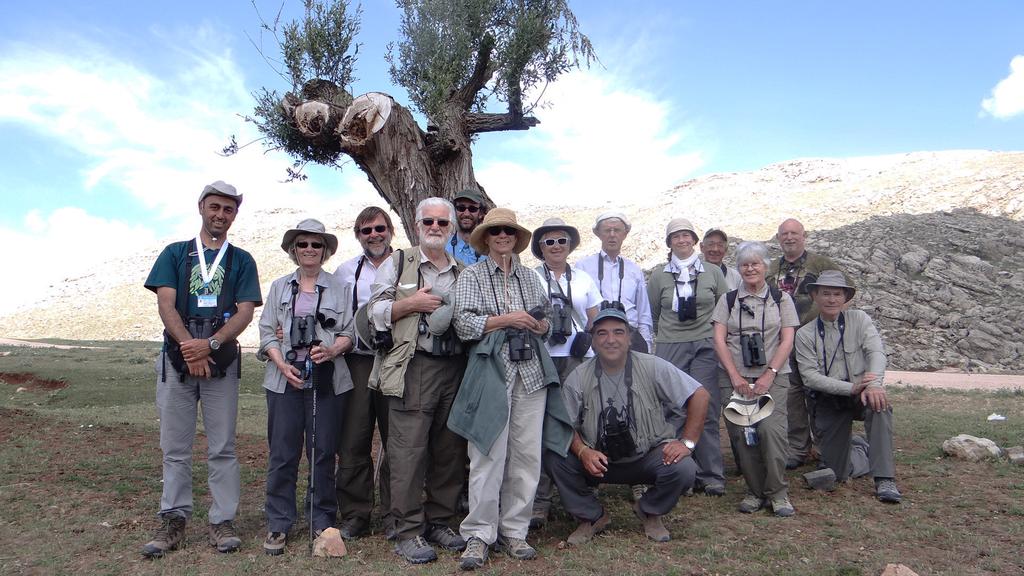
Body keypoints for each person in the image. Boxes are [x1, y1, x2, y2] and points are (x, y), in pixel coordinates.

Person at [142, 181, 262, 557]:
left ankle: (221, 519)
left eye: (228, 209)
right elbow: (166, 304)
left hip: (220, 363)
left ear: (234, 214)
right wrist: (189, 348)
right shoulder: (175, 253)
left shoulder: (241, 259)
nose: (220, 215)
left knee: (223, 446)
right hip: (177, 361)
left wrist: (209, 344)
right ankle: (173, 518)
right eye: (215, 207)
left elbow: (245, 310)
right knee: (174, 446)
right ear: (201, 207)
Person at [449, 208, 558, 571]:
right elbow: (462, 324)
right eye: (495, 231)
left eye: (508, 231)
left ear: (515, 237)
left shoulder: (530, 277)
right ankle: (479, 534)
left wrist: (539, 325)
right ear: (486, 237)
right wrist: (506, 320)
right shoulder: (471, 276)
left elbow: (549, 321)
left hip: (530, 373)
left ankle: (515, 530)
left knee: (526, 454)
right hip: (490, 371)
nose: (502, 237)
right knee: (486, 451)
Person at [544, 306, 709, 544]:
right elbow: (563, 423)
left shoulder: (653, 366)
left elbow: (700, 395)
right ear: (592, 341)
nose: (610, 340)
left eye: (618, 332)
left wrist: (688, 442)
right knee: (554, 456)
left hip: (647, 456)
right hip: (597, 461)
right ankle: (592, 516)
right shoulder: (578, 376)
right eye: (602, 333)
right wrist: (583, 451)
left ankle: (650, 510)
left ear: (630, 338)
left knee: (683, 467)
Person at [365, 198, 468, 564]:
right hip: (413, 365)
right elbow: (372, 311)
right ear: (416, 222)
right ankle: (406, 529)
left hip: (455, 367)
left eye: (443, 222)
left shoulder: (462, 272)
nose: (436, 227)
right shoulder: (399, 262)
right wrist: (410, 305)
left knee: (449, 447)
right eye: (429, 220)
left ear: (452, 228)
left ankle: (440, 520)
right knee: (407, 451)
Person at [257, 219, 355, 555]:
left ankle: (321, 521)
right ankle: (279, 523)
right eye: (303, 244)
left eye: (316, 245)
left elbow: (350, 333)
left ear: (325, 250)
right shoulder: (279, 287)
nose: (309, 250)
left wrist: (331, 349)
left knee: (324, 452)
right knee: (283, 453)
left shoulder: (340, 288)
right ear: (293, 250)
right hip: (284, 381)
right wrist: (281, 362)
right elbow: (267, 330)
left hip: (326, 379)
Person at [794, 271, 901, 503]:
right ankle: (862, 449)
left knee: (879, 405)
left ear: (845, 298)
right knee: (837, 473)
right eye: (825, 294)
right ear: (815, 296)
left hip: (862, 393)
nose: (831, 299)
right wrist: (850, 388)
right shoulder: (804, 334)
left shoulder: (860, 319)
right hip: (829, 399)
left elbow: (876, 352)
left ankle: (884, 479)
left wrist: (873, 384)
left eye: (836, 294)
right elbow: (810, 377)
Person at [711, 241, 800, 517]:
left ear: (765, 267)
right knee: (742, 434)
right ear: (739, 269)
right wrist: (735, 375)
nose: (750, 269)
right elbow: (719, 339)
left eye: (755, 263)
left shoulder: (781, 298)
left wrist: (769, 373)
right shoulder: (727, 300)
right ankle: (754, 491)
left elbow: (788, 339)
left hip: (773, 377)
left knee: (771, 433)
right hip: (734, 378)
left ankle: (778, 493)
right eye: (745, 264)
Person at [528, 217, 602, 527]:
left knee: (579, 423)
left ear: (570, 245)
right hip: (542, 358)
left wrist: (590, 343)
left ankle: (582, 494)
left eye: (561, 241)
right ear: (540, 248)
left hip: (578, 359)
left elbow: (596, 320)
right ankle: (540, 500)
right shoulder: (531, 278)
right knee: (542, 425)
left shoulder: (584, 279)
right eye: (549, 241)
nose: (556, 246)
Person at [647, 218, 728, 496]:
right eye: (675, 237)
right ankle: (678, 470)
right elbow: (654, 312)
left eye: (686, 236)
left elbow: (724, 308)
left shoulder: (713, 272)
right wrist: (665, 335)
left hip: (705, 343)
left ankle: (711, 474)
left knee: (705, 404)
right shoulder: (659, 275)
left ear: (694, 240)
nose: (681, 241)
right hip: (670, 343)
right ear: (668, 243)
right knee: (673, 407)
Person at [333, 206, 395, 540]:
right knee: (354, 439)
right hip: (357, 361)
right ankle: (356, 514)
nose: (374, 235)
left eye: (379, 228)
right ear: (358, 235)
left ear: (391, 231)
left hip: (397, 360)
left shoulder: (407, 265)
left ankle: (395, 512)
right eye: (366, 230)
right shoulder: (345, 271)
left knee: (397, 440)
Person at [768, 218, 841, 470]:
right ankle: (797, 447)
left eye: (794, 233)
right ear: (778, 238)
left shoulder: (821, 264)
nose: (789, 237)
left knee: (819, 390)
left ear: (803, 236)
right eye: (784, 234)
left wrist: (830, 319)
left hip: (816, 338)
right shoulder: (770, 269)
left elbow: (845, 290)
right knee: (792, 392)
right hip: (783, 340)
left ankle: (824, 446)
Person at [576, 212, 654, 353]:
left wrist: (646, 345)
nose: (612, 235)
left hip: (631, 338)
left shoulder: (634, 270)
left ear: (624, 234)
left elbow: (643, 313)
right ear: (598, 234)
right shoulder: (582, 267)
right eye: (607, 230)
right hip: (596, 338)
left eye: (617, 230)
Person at [446, 189, 488, 265]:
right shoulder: (443, 248)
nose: (466, 214)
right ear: (454, 211)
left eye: (472, 209)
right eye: (461, 208)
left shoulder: (490, 250)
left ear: (481, 213)